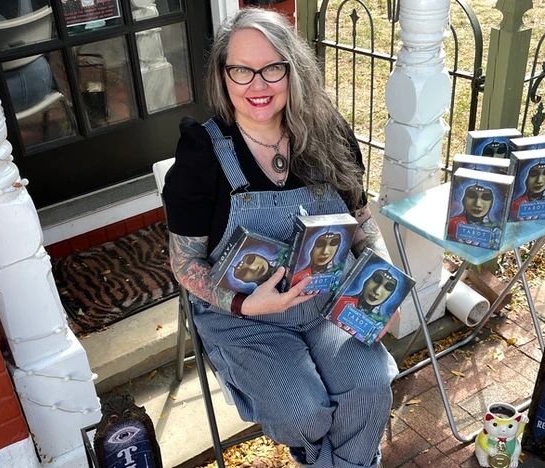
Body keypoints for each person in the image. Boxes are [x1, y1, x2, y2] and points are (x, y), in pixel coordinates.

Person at [162, 8, 397, 468]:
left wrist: (381, 294)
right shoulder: (202, 154)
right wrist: (246, 305)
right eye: (241, 70)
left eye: (272, 68)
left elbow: (361, 220)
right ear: (223, 76)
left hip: (328, 303)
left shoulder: (326, 134)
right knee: (303, 411)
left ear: (293, 71)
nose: (258, 84)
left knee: (370, 387)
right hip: (243, 320)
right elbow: (185, 262)